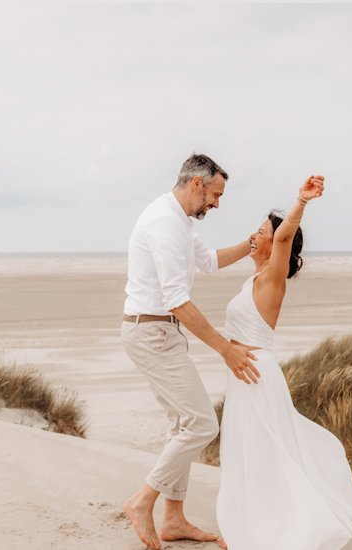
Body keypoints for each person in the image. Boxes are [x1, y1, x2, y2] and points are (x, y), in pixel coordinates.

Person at [216, 175, 352, 550]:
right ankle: (246, 527)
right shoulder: (252, 279)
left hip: (256, 375)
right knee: (245, 454)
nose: (255, 234)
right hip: (242, 375)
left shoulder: (272, 277)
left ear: (276, 242)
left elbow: (284, 237)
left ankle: (272, 531)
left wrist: (301, 201)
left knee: (263, 454)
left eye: (262, 230)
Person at [121, 153, 261, 550]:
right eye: (215, 194)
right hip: (151, 333)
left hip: (158, 333)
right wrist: (226, 350)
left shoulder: (178, 220)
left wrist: (253, 244)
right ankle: (141, 502)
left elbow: (211, 261)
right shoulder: (164, 222)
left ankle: (173, 519)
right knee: (202, 425)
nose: (217, 203)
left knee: (182, 425)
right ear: (196, 184)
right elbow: (178, 301)